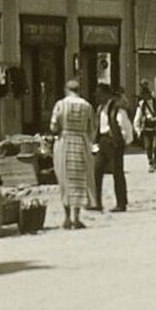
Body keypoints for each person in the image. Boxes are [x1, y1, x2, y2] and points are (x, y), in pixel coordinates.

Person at [50, 79, 96, 229]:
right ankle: (76, 218)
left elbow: (54, 126)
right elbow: (92, 128)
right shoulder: (87, 106)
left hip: (64, 142)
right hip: (81, 143)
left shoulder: (60, 105)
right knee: (79, 179)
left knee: (64, 179)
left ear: (66, 90)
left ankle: (66, 217)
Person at [91, 86, 134, 213]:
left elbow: (125, 126)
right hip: (102, 141)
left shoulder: (117, 109)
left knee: (117, 173)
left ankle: (121, 203)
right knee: (97, 171)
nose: (97, 98)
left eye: (99, 95)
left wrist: (125, 142)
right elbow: (98, 127)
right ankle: (97, 202)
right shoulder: (100, 109)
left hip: (114, 142)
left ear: (107, 95)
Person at [136, 83, 156, 171]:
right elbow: (137, 117)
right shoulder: (142, 104)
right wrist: (138, 130)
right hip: (146, 127)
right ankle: (150, 162)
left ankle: (155, 159)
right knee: (147, 146)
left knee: (155, 146)